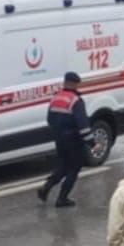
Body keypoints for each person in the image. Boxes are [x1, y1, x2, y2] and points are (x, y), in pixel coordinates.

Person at [39, 72, 90, 207]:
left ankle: (46, 187)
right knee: (74, 168)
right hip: (74, 141)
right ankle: (62, 198)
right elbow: (83, 125)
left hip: (60, 139)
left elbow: (50, 119)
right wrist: (92, 142)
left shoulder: (55, 98)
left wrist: (58, 133)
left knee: (62, 166)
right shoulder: (76, 101)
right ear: (75, 84)